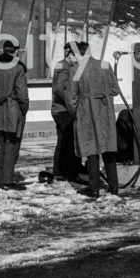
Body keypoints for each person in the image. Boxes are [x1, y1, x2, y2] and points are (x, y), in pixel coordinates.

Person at [67, 42, 120, 198]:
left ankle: (94, 188)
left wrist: (76, 113)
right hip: (106, 110)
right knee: (108, 148)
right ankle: (114, 186)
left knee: (92, 149)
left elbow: (71, 97)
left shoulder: (76, 69)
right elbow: (115, 90)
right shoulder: (105, 65)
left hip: (87, 111)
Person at [0, 39, 29, 191]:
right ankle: (8, 181)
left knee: (0, 145)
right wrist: (24, 109)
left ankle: (0, 179)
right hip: (12, 109)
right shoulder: (18, 67)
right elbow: (22, 94)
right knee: (12, 145)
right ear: (16, 51)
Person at [50, 41, 85, 181]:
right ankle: (69, 171)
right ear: (71, 54)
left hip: (59, 109)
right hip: (64, 110)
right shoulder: (65, 66)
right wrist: (72, 102)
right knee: (70, 141)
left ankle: (60, 170)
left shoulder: (61, 64)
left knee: (63, 141)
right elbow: (61, 88)